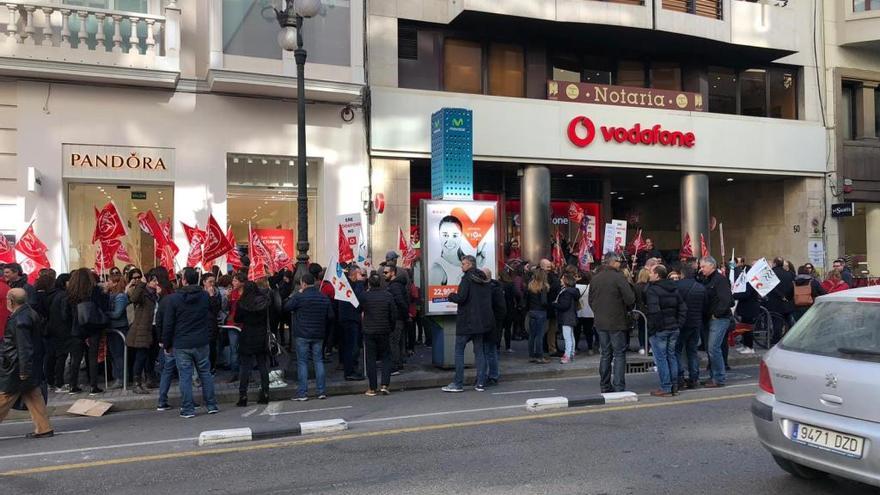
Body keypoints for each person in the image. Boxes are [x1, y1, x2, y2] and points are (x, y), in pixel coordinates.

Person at [162, 267, 219, 418]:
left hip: (182, 342)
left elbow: (168, 324)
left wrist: (166, 344)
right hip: (201, 340)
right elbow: (213, 313)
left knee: (185, 376)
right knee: (205, 373)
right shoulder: (205, 296)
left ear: (184, 280)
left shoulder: (174, 299)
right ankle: (211, 404)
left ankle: (188, 408)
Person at [0, 288, 53, 438]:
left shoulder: (19, 320)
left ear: (10, 301)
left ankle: (44, 428)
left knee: (4, 397)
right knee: (33, 395)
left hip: (16, 366)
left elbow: (24, 347)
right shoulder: (28, 313)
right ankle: (44, 428)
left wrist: (24, 370)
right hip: (26, 364)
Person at [442, 255, 493, 393]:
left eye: (463, 263)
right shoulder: (484, 279)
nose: (461, 266)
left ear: (470, 264)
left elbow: (462, 298)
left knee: (459, 352)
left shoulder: (466, 279)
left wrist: (451, 295)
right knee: (479, 352)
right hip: (480, 323)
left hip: (466, 322)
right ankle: (480, 383)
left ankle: (458, 383)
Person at [589, 253, 636, 393]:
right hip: (616, 321)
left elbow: (591, 301)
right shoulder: (619, 277)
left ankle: (604, 385)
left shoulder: (595, 279)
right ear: (613, 262)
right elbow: (630, 299)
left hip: (600, 321)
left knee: (605, 354)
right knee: (619, 354)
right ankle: (619, 386)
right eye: (619, 261)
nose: (620, 263)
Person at [284, 273, 334, 401]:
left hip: (302, 333)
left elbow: (286, 307)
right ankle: (321, 391)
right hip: (319, 333)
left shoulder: (300, 297)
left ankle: (303, 393)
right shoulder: (323, 297)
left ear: (304, 284)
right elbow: (331, 316)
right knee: (318, 361)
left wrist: (296, 294)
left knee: (302, 362)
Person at [645, 265, 687, 397]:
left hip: (661, 329)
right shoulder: (673, 288)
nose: (649, 274)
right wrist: (678, 323)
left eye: (651, 272)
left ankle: (666, 387)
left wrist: (655, 328)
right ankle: (673, 385)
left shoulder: (653, 290)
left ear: (657, 275)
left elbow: (654, 311)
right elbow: (682, 308)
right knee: (671, 356)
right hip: (673, 327)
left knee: (662, 358)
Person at [66, 268, 108, 396]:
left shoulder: (70, 293)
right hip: (93, 326)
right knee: (93, 357)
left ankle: (73, 385)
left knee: (76, 358)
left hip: (76, 328)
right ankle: (93, 386)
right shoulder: (95, 291)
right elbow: (103, 306)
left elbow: (66, 313)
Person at [234, 281, 271, 407]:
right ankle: (265, 393)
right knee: (262, 365)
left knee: (245, 367)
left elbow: (237, 319)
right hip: (261, 336)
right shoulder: (264, 302)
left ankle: (243, 395)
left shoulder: (242, 302)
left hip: (247, 335)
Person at [359, 273, 397, 396]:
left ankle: (372, 387)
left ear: (369, 283)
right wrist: (391, 327)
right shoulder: (388, 296)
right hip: (384, 330)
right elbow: (393, 314)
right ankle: (385, 385)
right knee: (386, 357)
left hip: (369, 331)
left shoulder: (365, 296)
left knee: (371, 359)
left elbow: (359, 309)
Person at [700, 256, 733, 388]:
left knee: (714, 348)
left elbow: (727, 300)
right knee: (710, 348)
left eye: (703, 267)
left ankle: (719, 378)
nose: (701, 269)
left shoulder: (720, 280)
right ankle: (714, 375)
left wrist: (716, 314)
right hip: (709, 318)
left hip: (719, 318)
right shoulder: (706, 280)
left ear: (712, 266)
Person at [127, 269, 157, 394]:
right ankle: (137, 383)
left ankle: (149, 378)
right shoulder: (143, 293)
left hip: (152, 328)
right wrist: (141, 284)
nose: (156, 283)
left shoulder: (154, 293)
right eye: (154, 281)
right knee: (140, 357)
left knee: (150, 355)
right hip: (141, 329)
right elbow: (133, 298)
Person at [676, 265, 706, 389]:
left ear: (682, 274)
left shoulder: (677, 286)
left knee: (677, 351)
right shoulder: (701, 287)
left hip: (681, 323)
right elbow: (705, 306)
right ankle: (694, 377)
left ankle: (679, 377)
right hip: (696, 323)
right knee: (692, 351)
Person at [339, 266, 365, 381]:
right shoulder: (347, 286)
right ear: (354, 274)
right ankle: (349, 372)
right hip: (350, 320)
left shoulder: (347, 284)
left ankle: (351, 369)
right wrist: (360, 283)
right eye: (360, 274)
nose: (362, 277)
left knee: (352, 346)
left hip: (350, 319)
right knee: (351, 347)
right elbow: (358, 300)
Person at [483, 268, 506, 385]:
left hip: (492, 325)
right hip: (489, 324)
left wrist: (496, 324)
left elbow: (501, 310)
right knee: (488, 351)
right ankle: (490, 375)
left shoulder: (494, 290)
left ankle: (492, 375)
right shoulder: (493, 288)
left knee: (490, 351)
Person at [384, 265, 409, 375]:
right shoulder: (397, 285)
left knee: (393, 342)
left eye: (386, 272)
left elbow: (400, 301)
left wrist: (402, 314)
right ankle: (398, 363)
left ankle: (395, 366)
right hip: (399, 317)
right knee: (397, 342)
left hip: (397, 318)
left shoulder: (394, 286)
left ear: (393, 273)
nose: (383, 274)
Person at [107, 274, 129, 389]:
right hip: (113, 328)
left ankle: (121, 378)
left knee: (118, 354)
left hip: (119, 328)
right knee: (114, 354)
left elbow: (117, 313)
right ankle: (118, 377)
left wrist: (104, 314)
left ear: (115, 283)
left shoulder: (120, 296)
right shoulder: (111, 295)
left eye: (109, 281)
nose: (107, 283)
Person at [429, 215, 465, 286]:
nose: (450, 241)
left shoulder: (468, 262)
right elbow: (434, 295)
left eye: (455, 236)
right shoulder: (437, 269)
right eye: (445, 235)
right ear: (439, 236)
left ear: (461, 236)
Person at [766, 257, 795, 345]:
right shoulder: (789, 274)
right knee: (788, 321)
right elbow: (793, 286)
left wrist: (781, 296)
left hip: (775, 302)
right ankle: (789, 339)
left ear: (774, 263)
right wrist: (787, 297)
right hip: (788, 301)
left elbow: (771, 287)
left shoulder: (771, 274)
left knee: (777, 322)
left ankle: (776, 340)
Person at [552, 274, 579, 364]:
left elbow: (564, 306)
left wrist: (555, 304)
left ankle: (567, 355)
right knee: (571, 335)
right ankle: (571, 353)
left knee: (567, 336)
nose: (560, 280)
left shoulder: (566, 292)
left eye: (562, 279)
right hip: (571, 315)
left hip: (566, 316)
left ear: (566, 281)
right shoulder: (572, 291)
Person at [525, 268, 549, 364]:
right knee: (540, 335)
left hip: (532, 312)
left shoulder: (530, 286)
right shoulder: (543, 287)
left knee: (532, 335)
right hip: (540, 312)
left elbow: (526, 300)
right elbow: (544, 302)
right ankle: (539, 356)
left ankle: (531, 356)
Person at [224, 272, 245, 380]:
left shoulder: (247, 293)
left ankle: (246, 373)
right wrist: (227, 299)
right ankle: (235, 372)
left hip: (244, 324)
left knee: (245, 349)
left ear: (242, 282)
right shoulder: (232, 292)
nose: (233, 282)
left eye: (235, 280)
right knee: (233, 349)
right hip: (232, 324)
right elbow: (227, 308)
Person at [540, 259, 562, 357]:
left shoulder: (537, 277)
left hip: (543, 307)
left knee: (547, 329)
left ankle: (545, 347)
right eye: (548, 266)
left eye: (550, 266)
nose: (549, 268)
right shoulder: (549, 278)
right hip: (549, 306)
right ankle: (551, 348)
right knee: (551, 329)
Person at [499, 269, 521, 353]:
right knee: (508, 329)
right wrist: (518, 304)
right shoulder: (511, 284)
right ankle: (508, 347)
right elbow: (517, 294)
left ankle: (497, 345)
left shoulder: (498, 284)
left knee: (499, 328)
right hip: (510, 308)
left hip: (499, 308)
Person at [574, 272, 595, 355]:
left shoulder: (576, 287)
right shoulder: (591, 287)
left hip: (578, 312)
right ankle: (590, 348)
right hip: (589, 312)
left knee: (576, 331)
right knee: (589, 331)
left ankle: (575, 348)